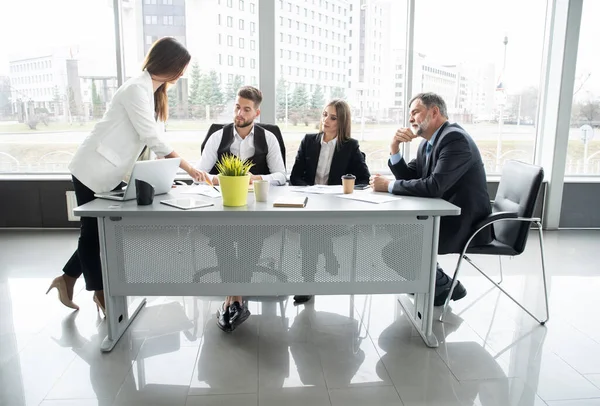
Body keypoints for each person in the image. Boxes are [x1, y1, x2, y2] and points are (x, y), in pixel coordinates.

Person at [46, 37, 210, 315]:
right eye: (180, 67)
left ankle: (67, 279)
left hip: (111, 171)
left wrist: (158, 173)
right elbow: (151, 137)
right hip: (91, 167)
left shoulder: (154, 93)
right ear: (167, 63)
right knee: (93, 231)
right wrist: (189, 168)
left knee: (101, 229)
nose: (182, 73)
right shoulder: (136, 88)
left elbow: (146, 144)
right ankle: (100, 293)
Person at [371, 92, 492, 306]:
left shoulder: (455, 139)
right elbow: (411, 177)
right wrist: (394, 149)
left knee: (393, 251)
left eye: (415, 112)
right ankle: (434, 281)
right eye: (410, 114)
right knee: (394, 226)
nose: (410, 119)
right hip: (442, 215)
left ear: (434, 111)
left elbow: (435, 186)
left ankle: (444, 285)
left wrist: (389, 185)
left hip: (464, 223)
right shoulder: (427, 143)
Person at [195, 86, 286, 332]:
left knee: (250, 236)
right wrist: (220, 179)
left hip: (257, 209)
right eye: (237, 107)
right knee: (223, 237)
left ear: (256, 113)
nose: (240, 113)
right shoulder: (218, 136)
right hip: (223, 207)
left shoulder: (268, 137)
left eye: (246, 109)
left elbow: (281, 175)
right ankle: (236, 297)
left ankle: (232, 297)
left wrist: (256, 178)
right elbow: (200, 174)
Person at [289, 99, 370, 304]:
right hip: (309, 205)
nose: (326, 120)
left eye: (333, 117)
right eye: (325, 114)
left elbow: (363, 180)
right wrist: (309, 191)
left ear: (341, 122)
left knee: (312, 231)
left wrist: (343, 191)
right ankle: (327, 252)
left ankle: (307, 283)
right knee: (312, 228)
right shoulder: (309, 141)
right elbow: (295, 176)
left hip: (335, 208)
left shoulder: (350, 146)